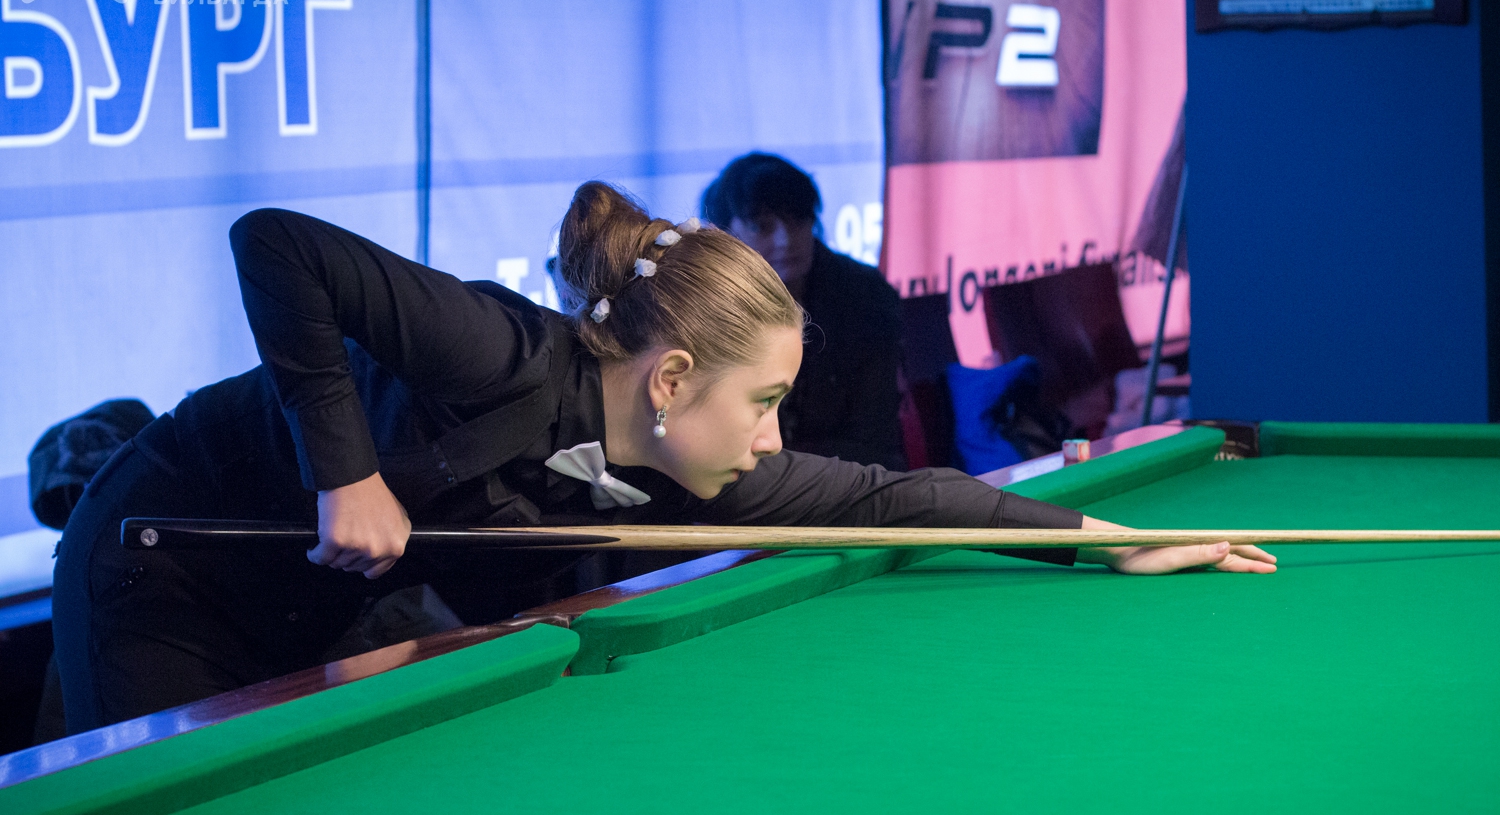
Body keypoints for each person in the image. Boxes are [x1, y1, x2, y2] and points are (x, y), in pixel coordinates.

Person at [51, 182, 1276, 734]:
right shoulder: (498, 349)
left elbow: (899, 492)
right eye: (765, 402)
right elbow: (276, 244)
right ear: (673, 379)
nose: (775, 439)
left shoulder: (699, 464)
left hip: (305, 597)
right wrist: (344, 471)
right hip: (163, 556)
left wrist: (1108, 543)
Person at [701, 153, 905, 469]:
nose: (785, 240)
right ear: (726, 234)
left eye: (797, 220)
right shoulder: (706, 306)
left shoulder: (865, 296)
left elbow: (876, 434)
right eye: (762, 227)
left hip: (853, 475)